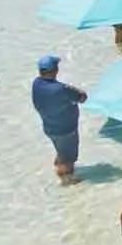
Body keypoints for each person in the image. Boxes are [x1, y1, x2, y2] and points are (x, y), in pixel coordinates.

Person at [30, 55, 87, 185]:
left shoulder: (36, 83)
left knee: (61, 151)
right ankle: (67, 180)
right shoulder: (60, 89)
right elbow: (83, 97)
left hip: (50, 128)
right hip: (66, 130)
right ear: (55, 70)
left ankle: (60, 167)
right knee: (68, 158)